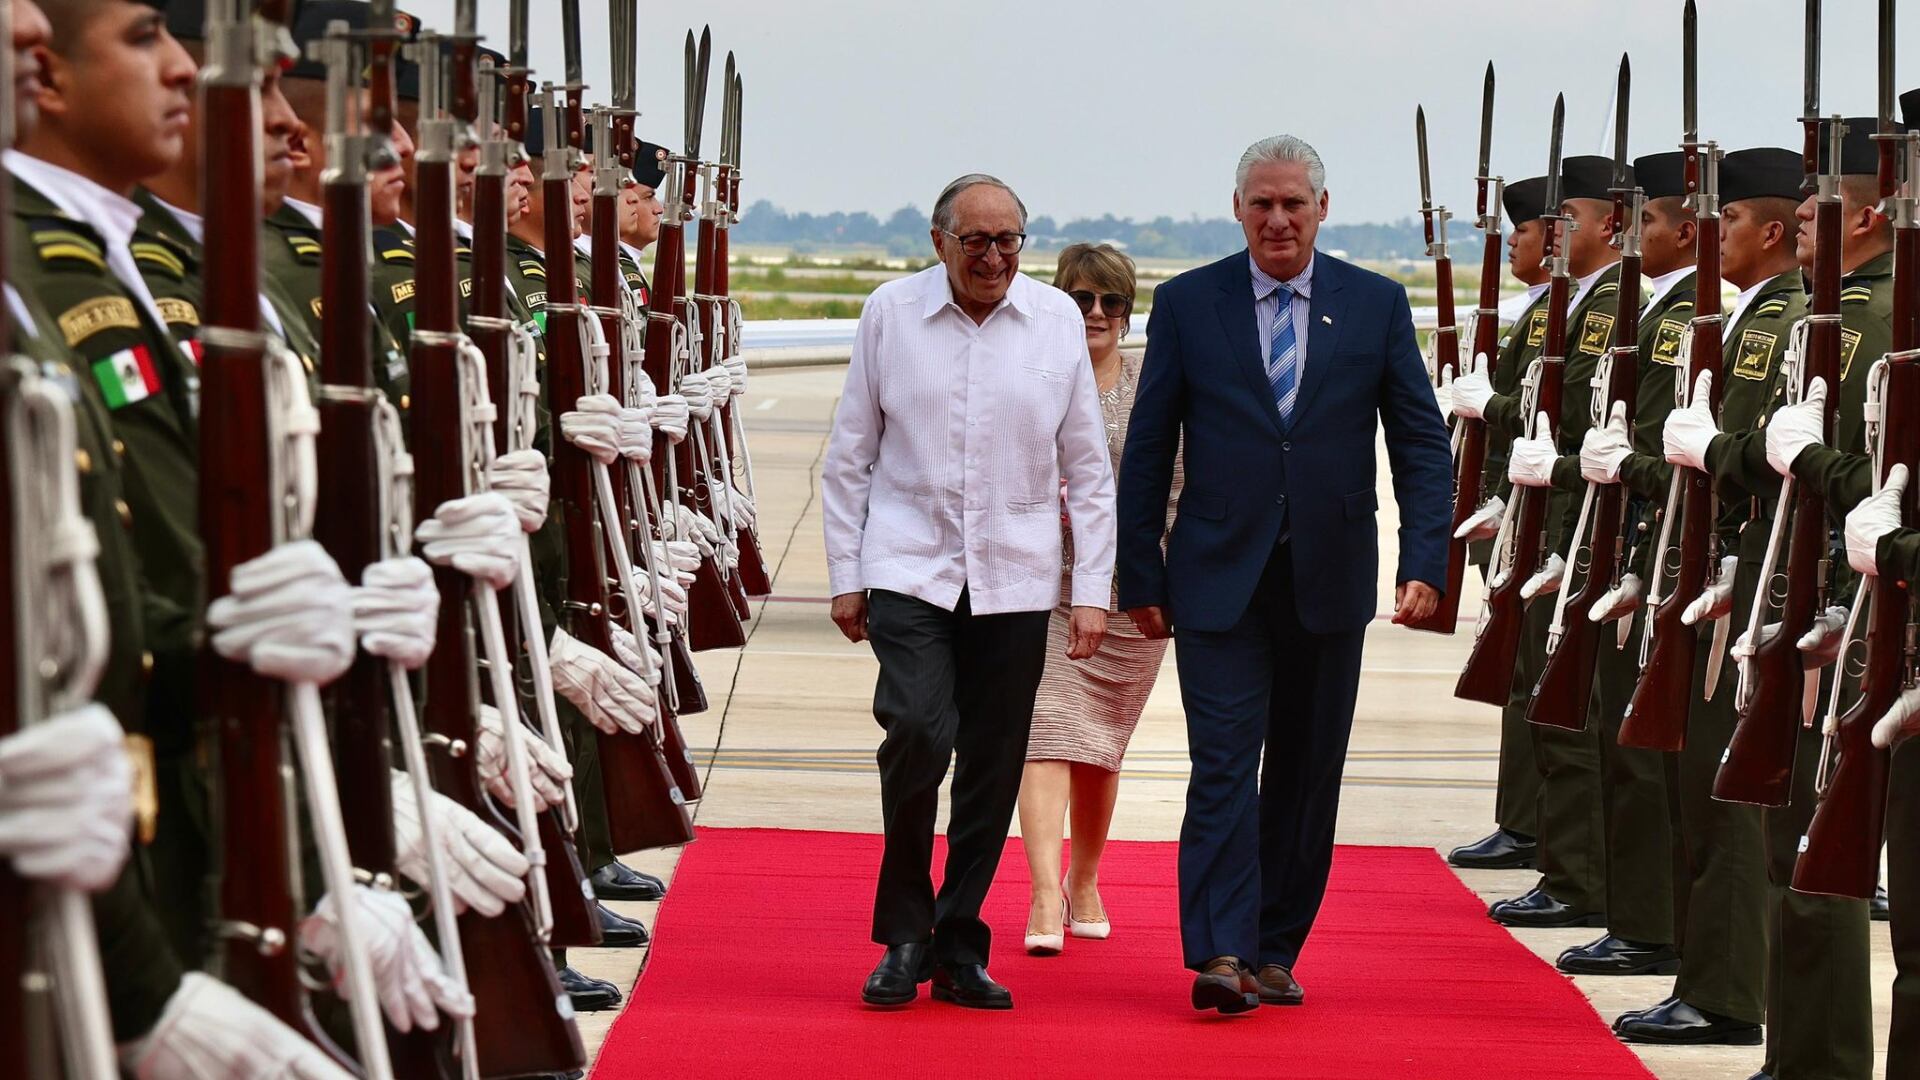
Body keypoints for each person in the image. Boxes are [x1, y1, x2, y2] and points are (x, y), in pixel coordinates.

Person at [1116, 135, 1451, 1013]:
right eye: (1261, 203)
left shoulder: (1375, 305)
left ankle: (1273, 948)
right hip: (1218, 578)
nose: (1276, 219)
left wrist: (1427, 560)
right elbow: (1149, 448)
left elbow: (1420, 441)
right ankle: (1220, 953)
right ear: (1237, 209)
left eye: (1292, 204)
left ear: (1322, 208)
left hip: (1329, 579)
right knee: (1223, 765)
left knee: (1307, 772)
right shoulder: (1190, 304)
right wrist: (1138, 575)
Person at [822, 172, 1115, 1011]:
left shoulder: (1054, 320)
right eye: (976, 241)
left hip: (1018, 576)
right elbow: (850, 457)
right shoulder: (891, 313)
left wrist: (1089, 588)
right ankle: (903, 934)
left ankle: (957, 943)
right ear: (938, 240)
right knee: (916, 730)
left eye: (1010, 242)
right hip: (910, 566)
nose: (994, 258)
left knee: (992, 763)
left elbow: (1088, 471)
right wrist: (847, 577)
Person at [1015, 242, 1175, 955]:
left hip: (1134, 595)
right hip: (1044, 588)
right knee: (1047, 733)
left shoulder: (1155, 385)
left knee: (1100, 749)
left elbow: (1181, 485)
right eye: (1081, 299)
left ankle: (1086, 879)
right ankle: (1044, 894)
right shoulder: (1033, 378)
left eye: (1111, 301)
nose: (1097, 314)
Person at [1447, 174, 1550, 873]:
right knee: (1525, 675)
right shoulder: (1536, 309)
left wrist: (1493, 405)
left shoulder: (1568, 310)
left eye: (1530, 227)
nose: (1515, 240)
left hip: (1554, 516)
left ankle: (1538, 830)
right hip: (1523, 513)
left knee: (1542, 681)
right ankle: (1524, 821)